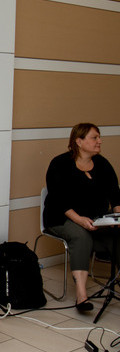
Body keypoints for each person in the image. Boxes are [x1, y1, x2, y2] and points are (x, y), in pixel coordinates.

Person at [43, 123, 120, 312]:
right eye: (94, 138)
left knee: (118, 236)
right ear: (79, 141)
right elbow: (58, 199)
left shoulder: (102, 164)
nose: (99, 141)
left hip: (97, 219)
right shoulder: (59, 164)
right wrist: (79, 220)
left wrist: (118, 216)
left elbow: (115, 195)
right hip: (62, 219)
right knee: (80, 236)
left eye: (99, 137)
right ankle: (81, 295)